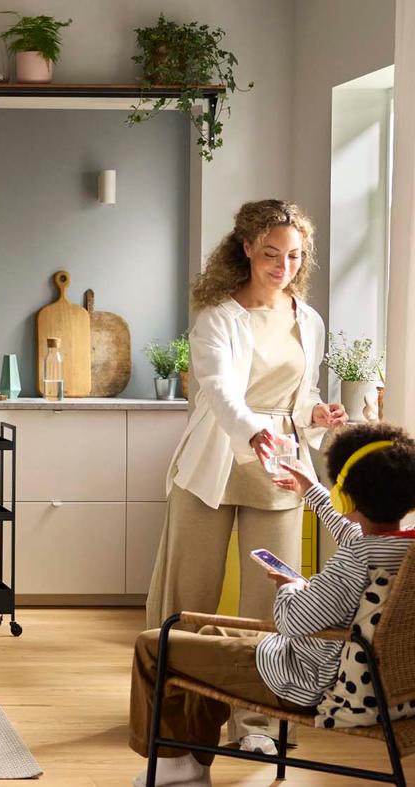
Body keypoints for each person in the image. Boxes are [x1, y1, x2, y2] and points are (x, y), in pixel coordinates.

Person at [145, 199, 347, 751]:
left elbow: (299, 397)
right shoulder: (217, 317)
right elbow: (221, 392)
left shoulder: (307, 319)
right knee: (190, 598)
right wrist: (254, 432)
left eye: (294, 256)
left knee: (273, 603)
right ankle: (174, 720)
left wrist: (316, 415)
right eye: (272, 254)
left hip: (279, 469)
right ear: (247, 250)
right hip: (214, 467)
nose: (283, 266)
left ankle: (255, 727)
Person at [129, 422, 415, 786]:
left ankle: (170, 764)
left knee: (154, 646)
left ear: (348, 495)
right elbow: (354, 535)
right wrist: (311, 490)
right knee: (209, 632)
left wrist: (291, 585)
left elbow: (291, 621)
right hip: (377, 687)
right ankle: (193, 763)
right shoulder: (400, 549)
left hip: (303, 682)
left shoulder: (354, 560)